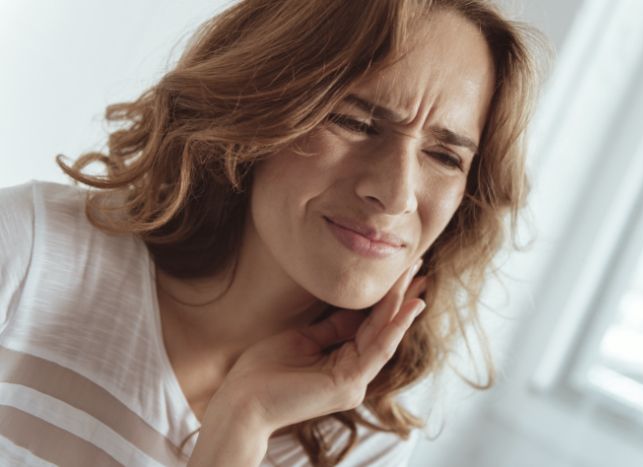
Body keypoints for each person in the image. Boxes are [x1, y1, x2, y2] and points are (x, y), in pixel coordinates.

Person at [0, 0, 542, 465]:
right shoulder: (27, 252)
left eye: (445, 156)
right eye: (353, 122)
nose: (396, 194)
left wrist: (242, 423)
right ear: (258, 108)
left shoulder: (359, 444)